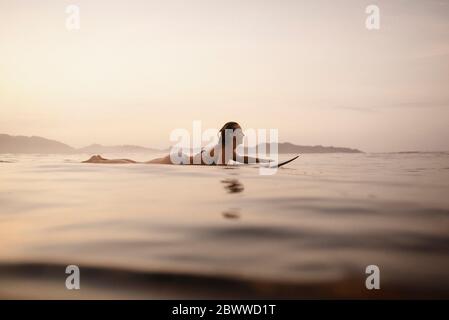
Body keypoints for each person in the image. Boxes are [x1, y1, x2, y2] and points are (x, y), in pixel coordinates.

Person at [83, 121, 271, 165]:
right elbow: (233, 163)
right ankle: (99, 160)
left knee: (135, 164)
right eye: (241, 133)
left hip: (178, 159)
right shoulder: (223, 151)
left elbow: (244, 158)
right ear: (233, 136)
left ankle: (102, 159)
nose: (244, 136)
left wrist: (266, 162)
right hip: (175, 161)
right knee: (135, 165)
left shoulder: (226, 150)